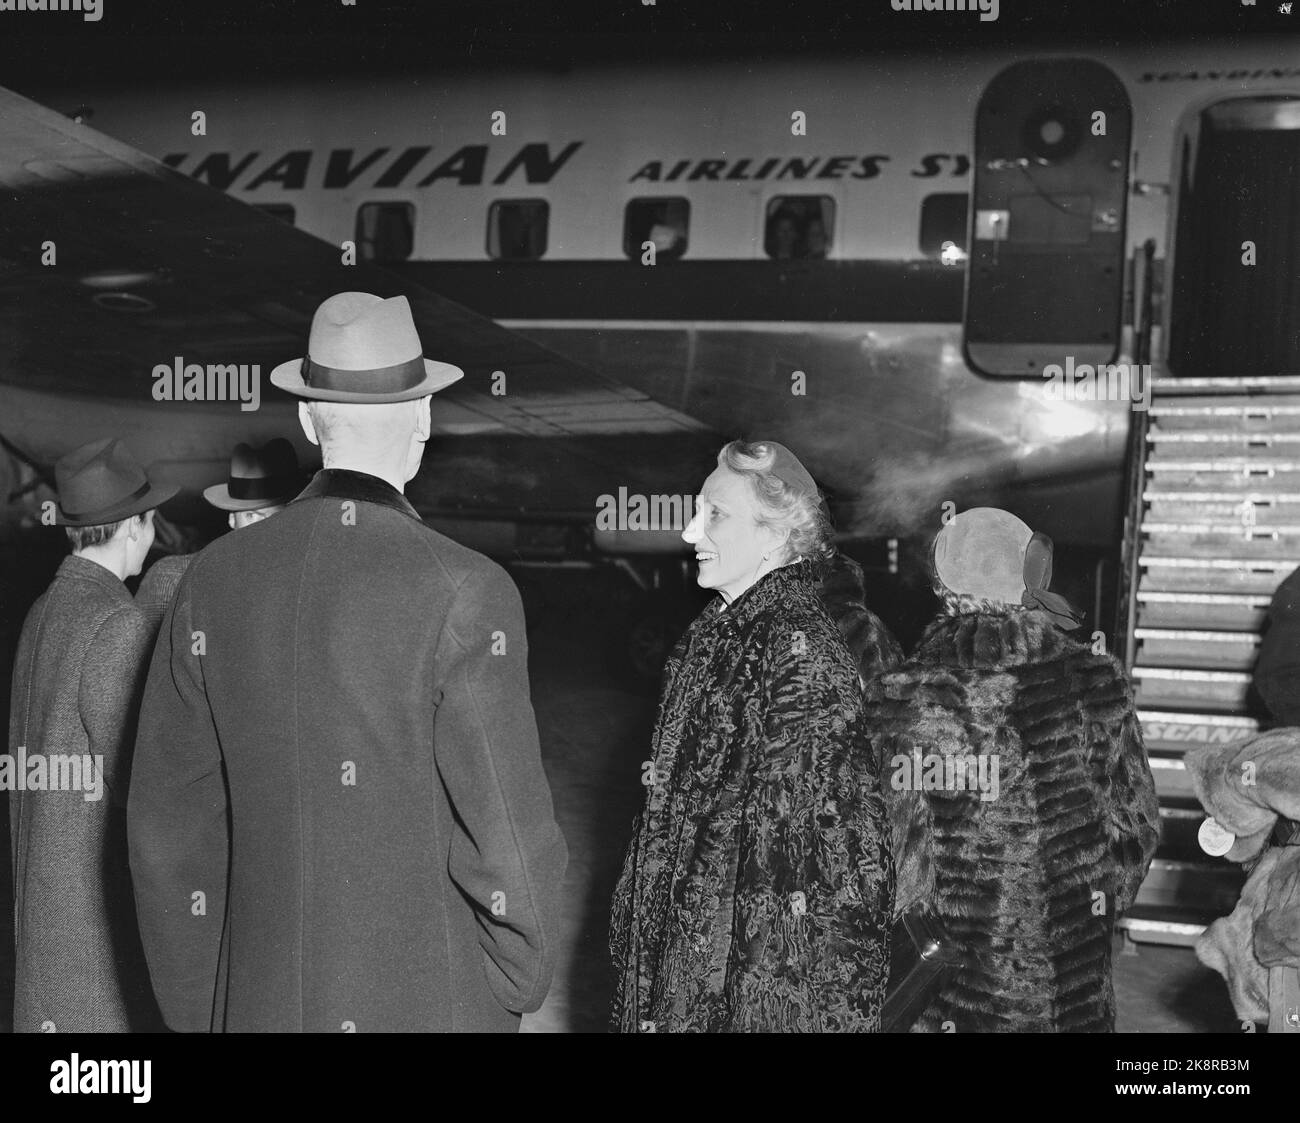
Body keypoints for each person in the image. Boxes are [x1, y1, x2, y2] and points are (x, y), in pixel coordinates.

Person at [128, 291, 568, 1032]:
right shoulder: (465, 588)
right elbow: (510, 838)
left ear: (306, 418)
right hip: (427, 1000)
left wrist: (204, 996)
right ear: (424, 416)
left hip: (256, 997)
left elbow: (167, 827)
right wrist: (513, 981)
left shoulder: (212, 578)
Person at [608, 439, 895, 1032]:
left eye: (714, 514)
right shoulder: (724, 629)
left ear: (773, 534)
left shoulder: (798, 653)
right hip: (687, 971)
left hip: (732, 990)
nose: (690, 533)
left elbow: (811, 881)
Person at [864, 507, 1159, 1031]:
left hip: (966, 983)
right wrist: (1088, 907)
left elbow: (900, 864)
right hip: (1076, 976)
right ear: (1035, 575)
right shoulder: (1095, 678)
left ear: (941, 586)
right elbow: (1136, 829)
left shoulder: (907, 693)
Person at [8, 437, 176, 1032]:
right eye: (152, 520)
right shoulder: (113, 623)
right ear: (133, 525)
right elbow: (145, 791)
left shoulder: (44, 611)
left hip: (44, 951)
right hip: (92, 971)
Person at [135, 438, 302, 640]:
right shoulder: (173, 580)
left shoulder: (310, 588)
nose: (265, 530)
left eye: (278, 517)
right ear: (232, 518)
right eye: (252, 515)